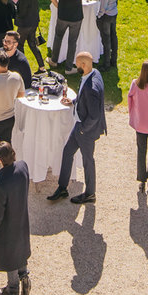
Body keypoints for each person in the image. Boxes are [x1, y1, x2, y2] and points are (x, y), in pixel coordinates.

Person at [49, 50, 104, 205]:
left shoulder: (92, 87)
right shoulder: (93, 73)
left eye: (78, 64)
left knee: (88, 160)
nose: (75, 66)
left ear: (84, 65)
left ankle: (90, 193)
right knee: (67, 152)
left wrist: (82, 129)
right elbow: (85, 99)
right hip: (81, 126)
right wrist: (73, 102)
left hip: (85, 129)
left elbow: (94, 116)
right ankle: (62, 187)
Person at [0, 144, 32, 295]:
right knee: (20, 248)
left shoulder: (1, 185)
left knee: (10, 254)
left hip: (8, 223)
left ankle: (13, 288)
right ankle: (24, 277)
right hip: (21, 216)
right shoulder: (23, 166)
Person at [49, 0, 87, 65]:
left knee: (58, 38)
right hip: (76, 19)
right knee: (72, 42)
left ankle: (54, 60)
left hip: (62, 17)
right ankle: (69, 67)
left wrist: (59, 7)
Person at [94, 0, 122, 69]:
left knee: (106, 40)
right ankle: (113, 60)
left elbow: (103, 6)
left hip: (106, 15)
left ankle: (106, 64)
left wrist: (99, 15)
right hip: (114, 12)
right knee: (113, 36)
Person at [13, 0, 44, 65]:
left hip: (24, 25)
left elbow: (21, 13)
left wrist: (15, 8)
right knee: (32, 45)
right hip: (33, 23)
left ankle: (23, 65)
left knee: (19, 45)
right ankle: (41, 66)